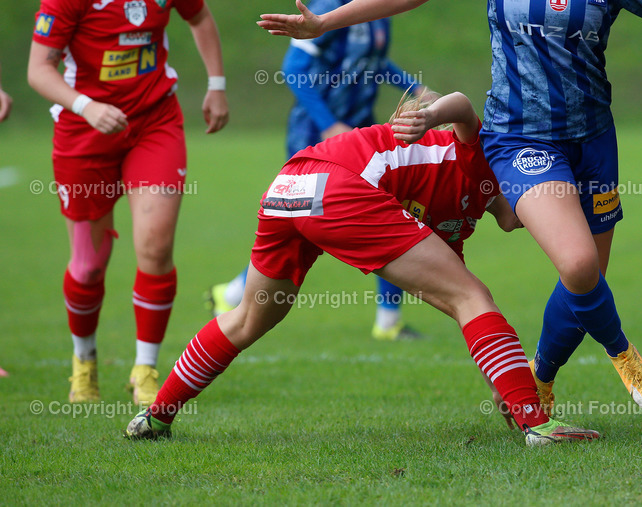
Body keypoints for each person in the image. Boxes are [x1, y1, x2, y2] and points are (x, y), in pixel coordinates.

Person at [258, 0, 642, 414]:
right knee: (579, 264)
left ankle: (538, 378)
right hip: (519, 137)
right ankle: (631, 366)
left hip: (593, 138)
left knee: (585, 283)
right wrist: (324, 22)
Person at [125, 91, 599, 446]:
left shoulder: (461, 219)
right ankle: (538, 426)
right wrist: (429, 114)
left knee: (250, 317)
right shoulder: (490, 154)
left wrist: (506, 387)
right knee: (472, 295)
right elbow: (462, 104)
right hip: (338, 186)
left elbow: (457, 303)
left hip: (291, 186)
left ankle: (157, 415)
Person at [27, 0, 230, 407]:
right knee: (89, 264)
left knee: (155, 247)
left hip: (154, 123)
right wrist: (85, 105)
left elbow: (200, 17)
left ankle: (144, 369)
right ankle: (84, 362)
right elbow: (38, 69)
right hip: (84, 134)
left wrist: (216, 83)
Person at [208, 0, 435, 342]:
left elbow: (373, 59)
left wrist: (414, 88)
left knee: (393, 209)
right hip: (318, 134)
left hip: (360, 130)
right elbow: (294, 67)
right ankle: (236, 292)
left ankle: (388, 321)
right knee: (303, 228)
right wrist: (329, 124)